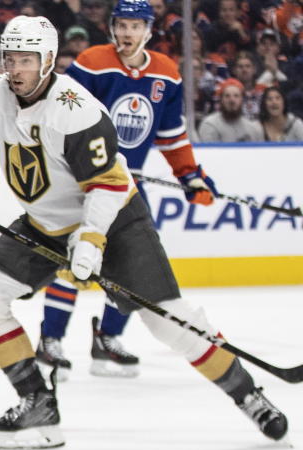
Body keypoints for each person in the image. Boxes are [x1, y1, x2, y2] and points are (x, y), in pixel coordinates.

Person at [0, 15, 287, 449]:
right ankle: (38, 405)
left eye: (27, 59)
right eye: (9, 57)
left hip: (118, 221)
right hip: (45, 224)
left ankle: (249, 395)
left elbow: (106, 185)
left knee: (169, 324)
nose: (15, 68)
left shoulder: (76, 109)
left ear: (48, 60)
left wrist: (90, 241)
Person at [34, 0, 220, 381]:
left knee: (134, 265)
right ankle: (50, 341)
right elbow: (62, 119)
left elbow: (172, 135)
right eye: (121, 25)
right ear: (112, 27)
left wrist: (190, 176)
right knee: (74, 260)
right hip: (82, 180)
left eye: (135, 26)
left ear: (149, 30)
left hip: (129, 184)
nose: (126, 33)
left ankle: (108, 340)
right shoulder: (91, 63)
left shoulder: (166, 73)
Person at [197, 78, 263, 141]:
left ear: (242, 100)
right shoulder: (210, 124)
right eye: (227, 96)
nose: (232, 100)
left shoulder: (253, 128)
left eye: (236, 96)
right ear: (221, 100)